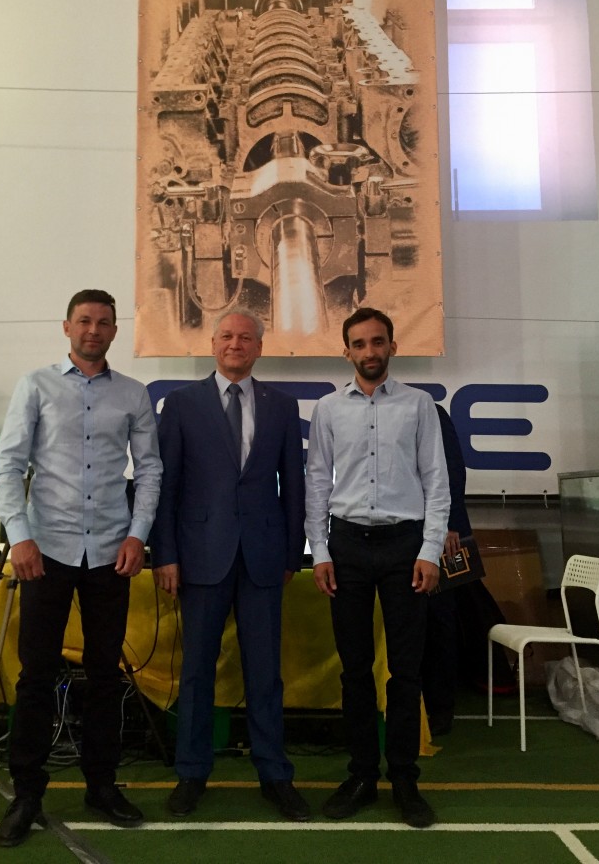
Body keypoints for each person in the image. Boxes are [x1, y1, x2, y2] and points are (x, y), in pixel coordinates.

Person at [0, 289, 162, 848]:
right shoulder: (35, 385)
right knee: (36, 675)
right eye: (84, 320)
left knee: (107, 675)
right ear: (66, 326)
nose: (94, 329)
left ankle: (102, 785)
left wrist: (138, 534)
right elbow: (9, 464)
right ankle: (27, 793)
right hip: (46, 551)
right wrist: (20, 536)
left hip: (111, 552)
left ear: (115, 330)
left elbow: (150, 470)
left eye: (104, 322)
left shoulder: (133, 394)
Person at [150, 309, 310, 822]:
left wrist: (293, 552)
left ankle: (275, 775)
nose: (235, 344)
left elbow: (294, 486)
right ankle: (192, 773)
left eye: (245, 337)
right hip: (199, 556)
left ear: (259, 347)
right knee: (197, 671)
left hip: (264, 558)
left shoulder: (282, 405)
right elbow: (166, 485)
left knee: (265, 674)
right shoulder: (180, 403)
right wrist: (165, 553)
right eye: (226, 336)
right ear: (212, 344)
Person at [305, 307, 450, 829]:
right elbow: (317, 482)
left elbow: (436, 481)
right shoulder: (327, 409)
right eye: (360, 343)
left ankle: (405, 779)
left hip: (404, 548)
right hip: (346, 547)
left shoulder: (419, 406)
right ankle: (363, 775)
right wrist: (320, 551)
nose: (370, 351)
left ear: (392, 346)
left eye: (378, 341)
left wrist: (430, 550)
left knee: (405, 672)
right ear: (346, 351)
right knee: (355, 670)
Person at [422, 403, 474, 737]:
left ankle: (441, 708)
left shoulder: (431, 411)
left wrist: (450, 526)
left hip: (446, 538)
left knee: (441, 619)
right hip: (410, 534)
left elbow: (452, 469)